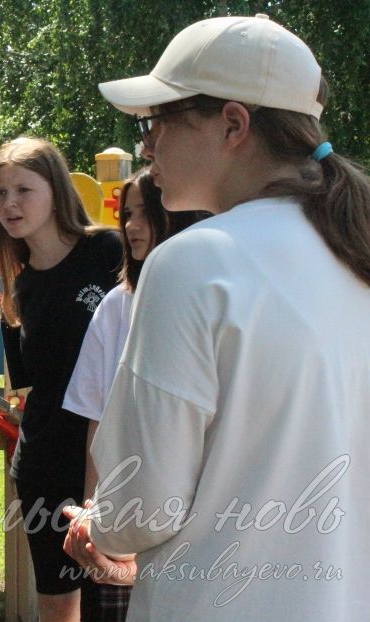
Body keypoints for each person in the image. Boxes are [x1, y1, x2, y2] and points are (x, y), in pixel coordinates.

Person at [64, 14, 370, 621]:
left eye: (157, 121)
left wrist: (102, 529)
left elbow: (141, 506)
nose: (146, 146)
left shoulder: (196, 262)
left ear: (234, 123)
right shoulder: (353, 250)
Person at [61, 169, 207, 620]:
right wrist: (94, 514)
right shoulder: (115, 308)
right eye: (127, 214)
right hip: (126, 508)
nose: (131, 226)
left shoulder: (205, 301)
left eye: (147, 213)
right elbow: (95, 418)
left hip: (197, 511)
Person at [0, 136, 122, 621]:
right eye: (0, 193)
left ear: (56, 190)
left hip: (115, 454)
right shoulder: (16, 286)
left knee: (118, 594)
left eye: (24, 189)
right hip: (44, 464)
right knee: (58, 600)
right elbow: (32, 387)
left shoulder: (107, 251)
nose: (10, 204)